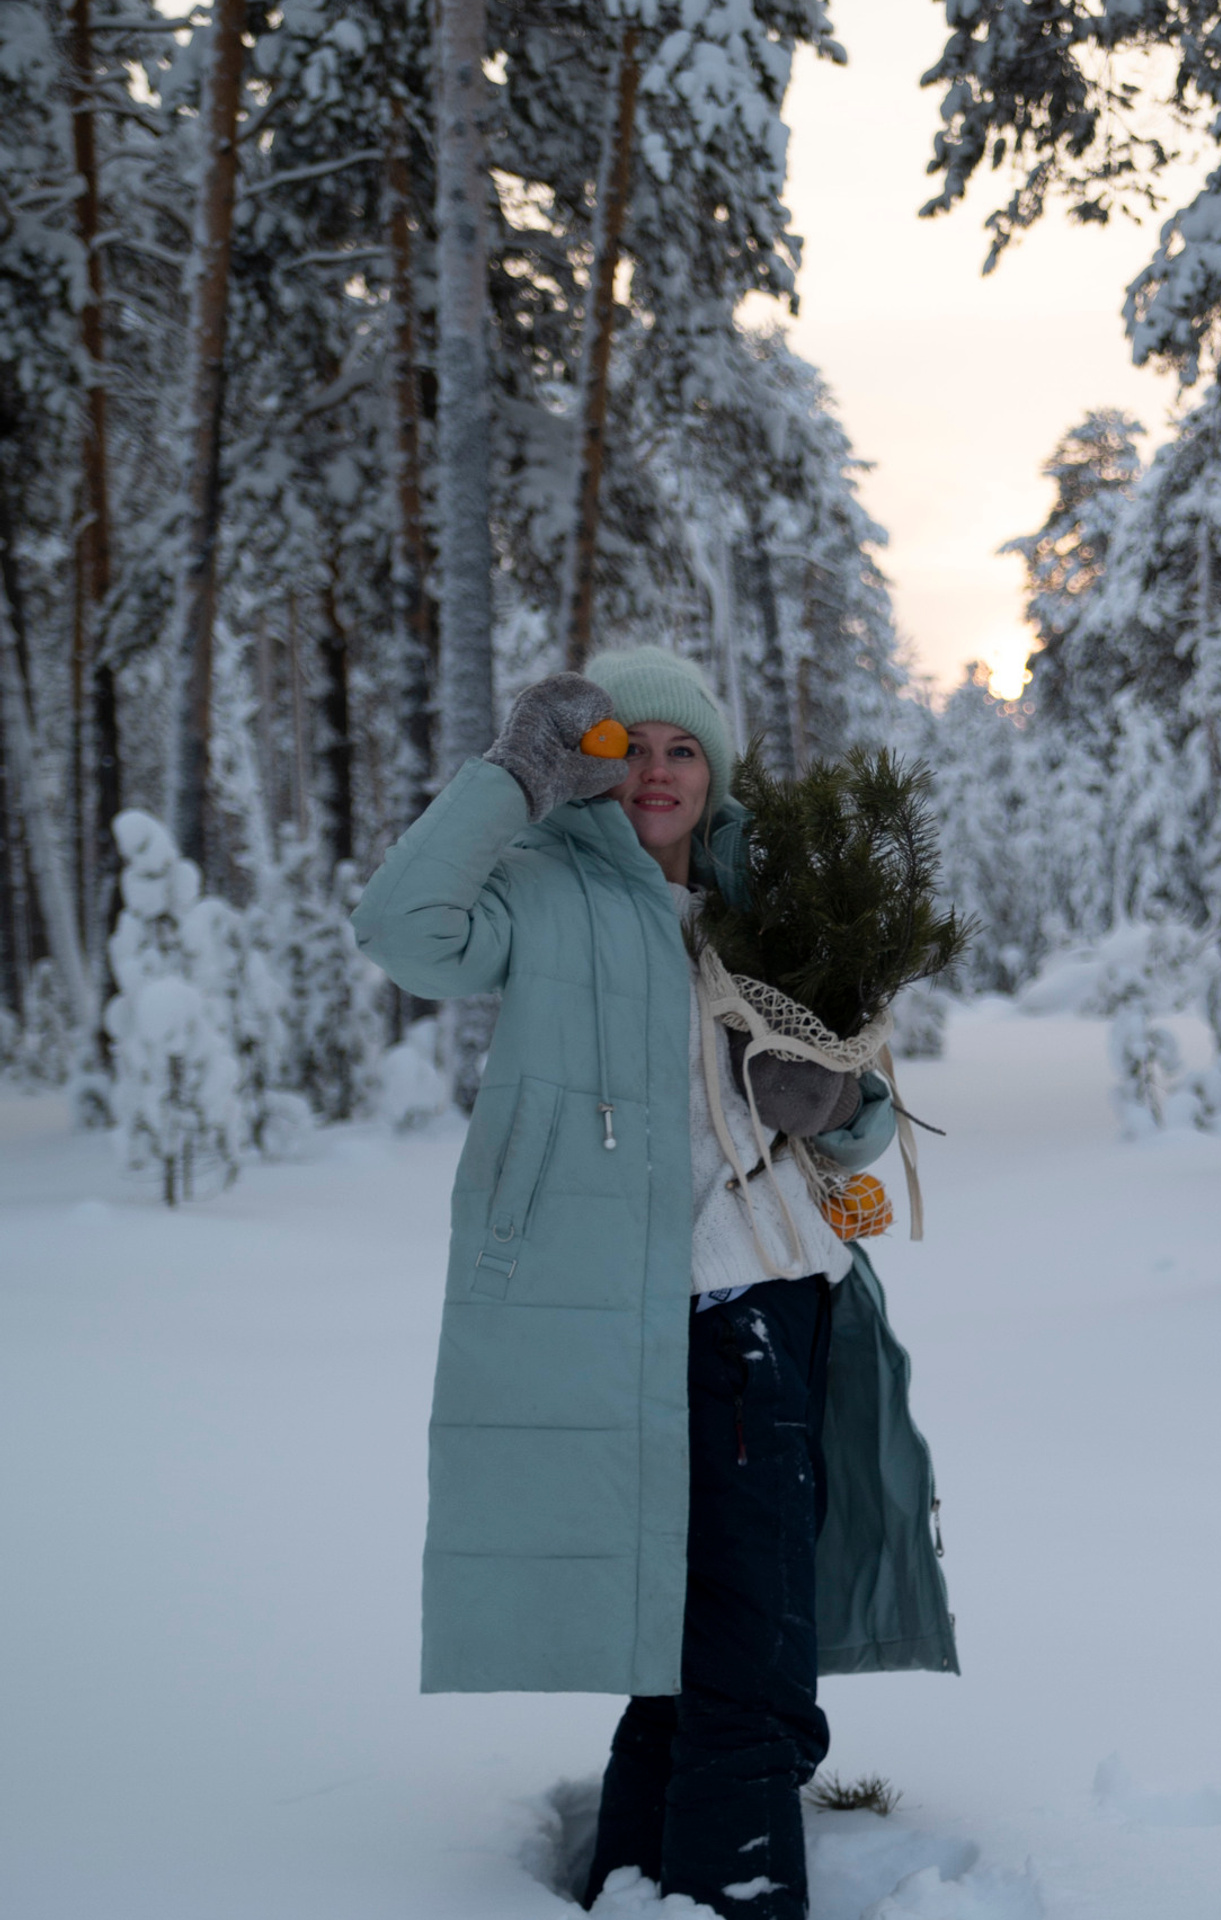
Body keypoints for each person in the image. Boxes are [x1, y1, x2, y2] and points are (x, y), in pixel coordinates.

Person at [350, 649, 956, 1920]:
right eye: (625, 748)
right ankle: (725, 1895)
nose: (657, 772)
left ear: (715, 772)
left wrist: (839, 1104)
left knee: (725, 1634)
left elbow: (853, 1106)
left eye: (682, 750)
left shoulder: (758, 910)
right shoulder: (541, 888)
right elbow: (404, 931)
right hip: (659, 1312)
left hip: (785, 1300)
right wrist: (510, 779)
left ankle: (633, 1880)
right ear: (587, 767)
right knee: (735, 1639)